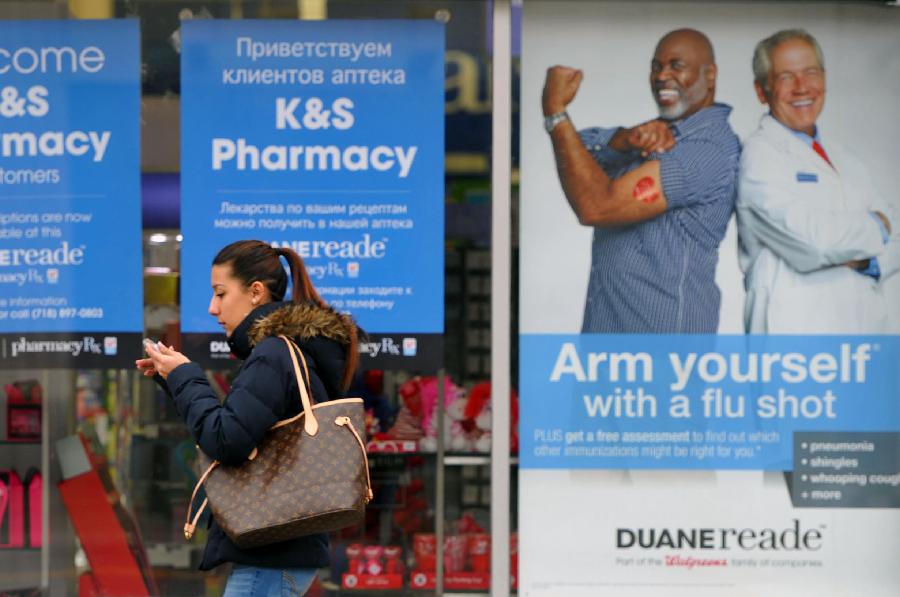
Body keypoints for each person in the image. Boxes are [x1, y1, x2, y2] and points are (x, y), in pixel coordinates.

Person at [135, 240, 360, 596]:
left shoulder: (273, 353)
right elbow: (234, 428)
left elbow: (226, 440)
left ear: (256, 292)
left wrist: (185, 376)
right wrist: (175, 380)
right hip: (280, 549)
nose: (212, 308)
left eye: (220, 293)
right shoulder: (289, 350)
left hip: (271, 555)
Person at [542, 28, 740, 333]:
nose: (662, 76)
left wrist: (556, 112)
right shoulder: (661, 135)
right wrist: (625, 139)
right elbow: (575, 155)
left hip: (661, 356)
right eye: (656, 66)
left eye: (677, 66)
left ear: (709, 75)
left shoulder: (707, 149)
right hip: (612, 347)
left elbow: (596, 206)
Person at [737, 29, 899, 333]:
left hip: (862, 331)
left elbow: (898, 234)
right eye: (786, 76)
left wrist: (867, 262)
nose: (802, 88)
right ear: (762, 90)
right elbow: (813, 242)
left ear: (823, 79)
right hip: (795, 337)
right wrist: (877, 226)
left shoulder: (847, 159)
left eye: (810, 73)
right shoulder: (758, 158)